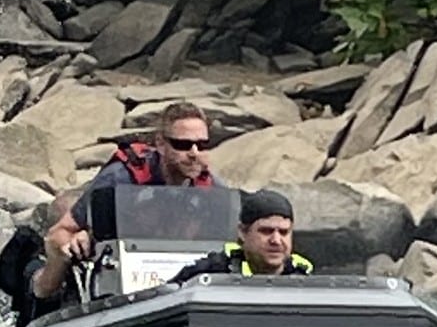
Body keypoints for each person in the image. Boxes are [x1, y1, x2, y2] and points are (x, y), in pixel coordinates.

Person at [29, 102, 221, 302]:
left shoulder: (212, 189)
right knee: (53, 277)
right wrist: (75, 244)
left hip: (176, 280)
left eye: (202, 145)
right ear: (161, 144)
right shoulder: (121, 178)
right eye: (183, 145)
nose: (194, 153)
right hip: (117, 275)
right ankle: (41, 290)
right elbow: (60, 232)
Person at [168, 188, 314, 282]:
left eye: (283, 232)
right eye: (266, 231)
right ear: (243, 232)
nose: (276, 240)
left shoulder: (306, 279)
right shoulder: (210, 273)